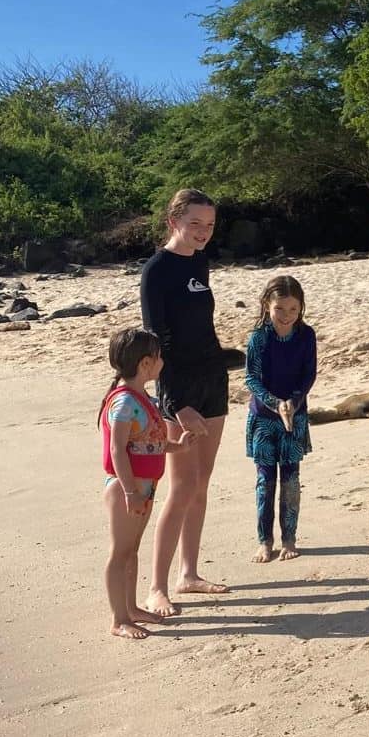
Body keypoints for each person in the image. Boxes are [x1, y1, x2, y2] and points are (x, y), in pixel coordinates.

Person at [140, 188, 230, 616]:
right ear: (173, 221)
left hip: (213, 380)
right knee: (180, 487)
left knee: (201, 482)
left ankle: (188, 573)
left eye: (209, 225)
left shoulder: (200, 261)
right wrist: (175, 403)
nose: (203, 232)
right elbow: (156, 342)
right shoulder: (156, 271)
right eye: (195, 223)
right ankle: (156, 587)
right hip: (179, 390)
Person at [98, 328, 195, 639]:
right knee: (120, 552)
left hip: (144, 486)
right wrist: (130, 491)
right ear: (145, 364)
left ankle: (131, 608)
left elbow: (151, 442)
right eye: (159, 357)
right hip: (125, 488)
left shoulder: (143, 399)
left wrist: (179, 446)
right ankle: (119, 619)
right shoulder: (124, 403)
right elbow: (117, 449)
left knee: (132, 551)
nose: (162, 362)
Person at [245, 275, 316, 563]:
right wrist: (276, 403)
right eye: (279, 309)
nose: (286, 316)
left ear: (301, 308)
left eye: (293, 309)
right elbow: (251, 378)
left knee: (291, 480)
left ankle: (289, 538)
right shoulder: (259, 337)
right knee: (265, 481)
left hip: (294, 417)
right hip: (263, 419)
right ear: (267, 305)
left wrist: (293, 403)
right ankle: (265, 540)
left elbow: (308, 375)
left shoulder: (306, 335)